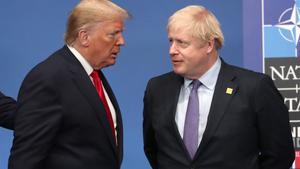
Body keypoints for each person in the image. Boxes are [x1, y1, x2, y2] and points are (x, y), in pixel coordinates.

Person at [143, 5, 295, 169]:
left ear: (209, 45)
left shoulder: (254, 87)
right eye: (171, 41)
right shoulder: (157, 89)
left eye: (182, 43)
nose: (172, 50)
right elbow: (153, 150)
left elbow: (279, 155)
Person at [9, 0, 129, 169]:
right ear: (84, 37)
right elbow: (25, 160)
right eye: (113, 34)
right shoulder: (48, 78)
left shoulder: (92, 74)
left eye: (121, 33)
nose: (121, 41)